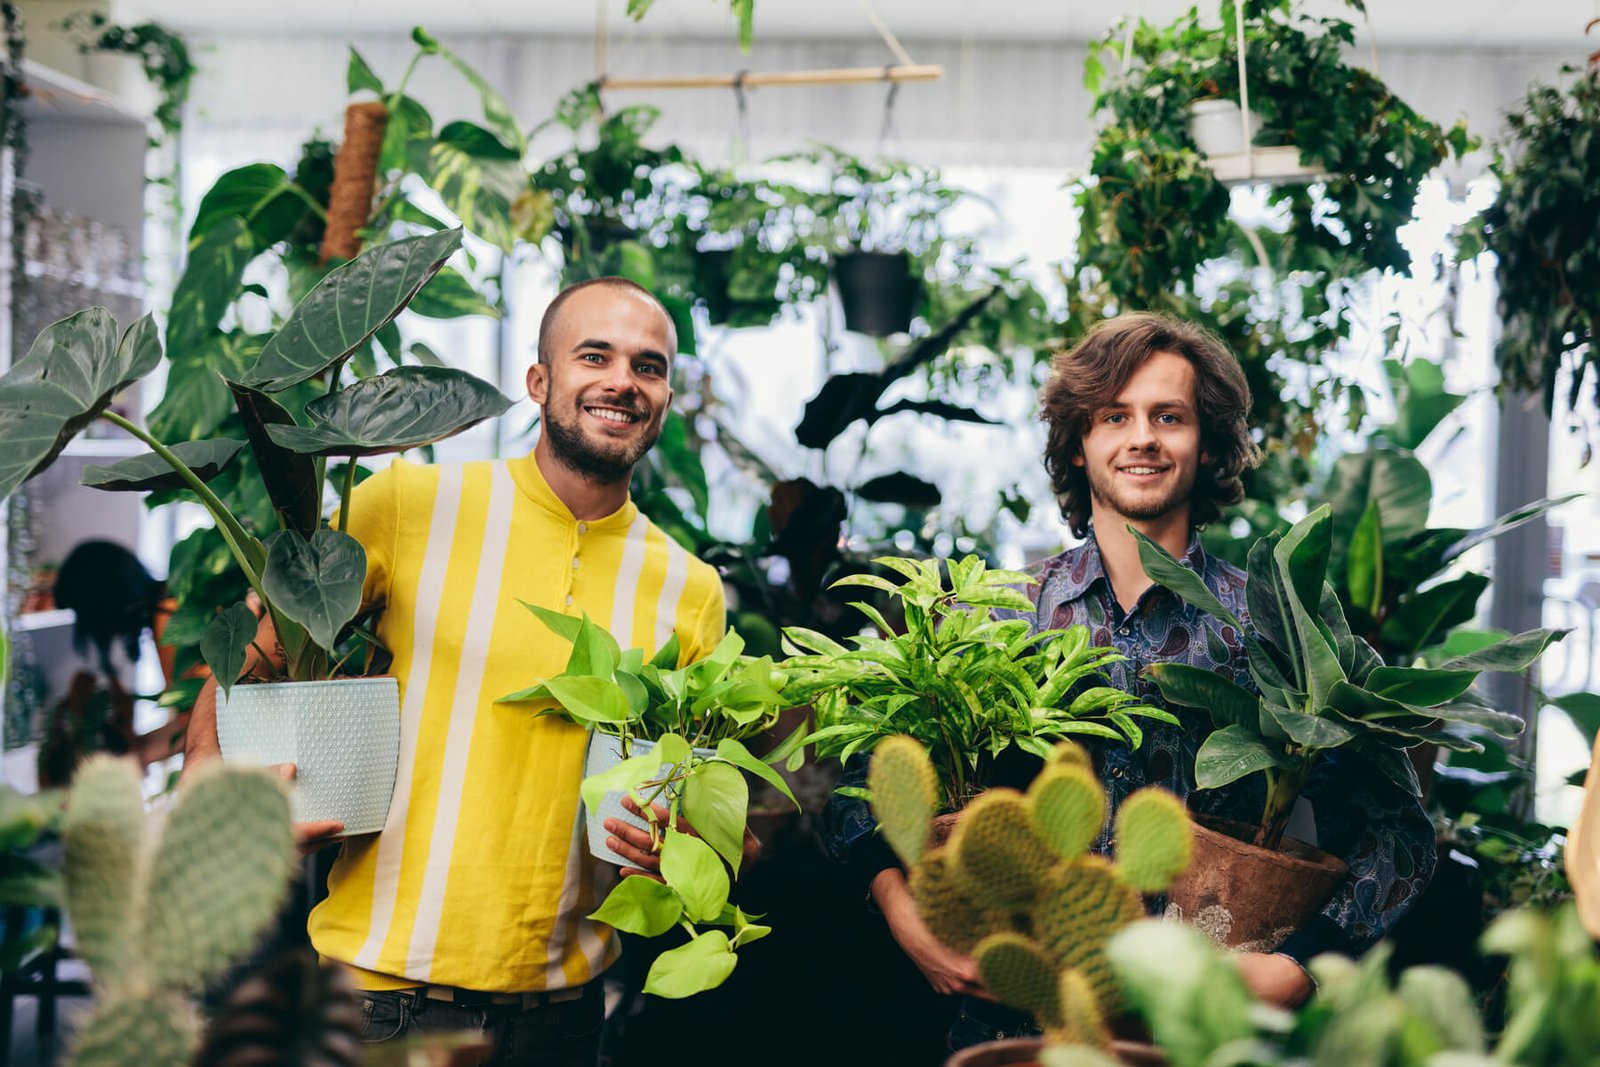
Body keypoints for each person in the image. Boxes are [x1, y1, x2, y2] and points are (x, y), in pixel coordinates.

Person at [822, 311, 1437, 1048]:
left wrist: (1298, 967)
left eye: (1168, 416)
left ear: (1207, 444)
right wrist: (904, 913)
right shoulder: (995, 614)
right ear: (1077, 443)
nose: (1142, 437)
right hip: (1014, 1027)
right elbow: (858, 787)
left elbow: (1398, 834)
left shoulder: (1271, 626)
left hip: (1200, 1033)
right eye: (1115, 416)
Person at [184, 278, 729, 1065]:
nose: (623, 380)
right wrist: (205, 771)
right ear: (539, 380)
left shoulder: (690, 589)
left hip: (562, 1019)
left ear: (666, 397)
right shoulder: (410, 503)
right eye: (594, 356)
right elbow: (257, 650)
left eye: (648, 366)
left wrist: (693, 843)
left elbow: (697, 812)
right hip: (380, 1000)